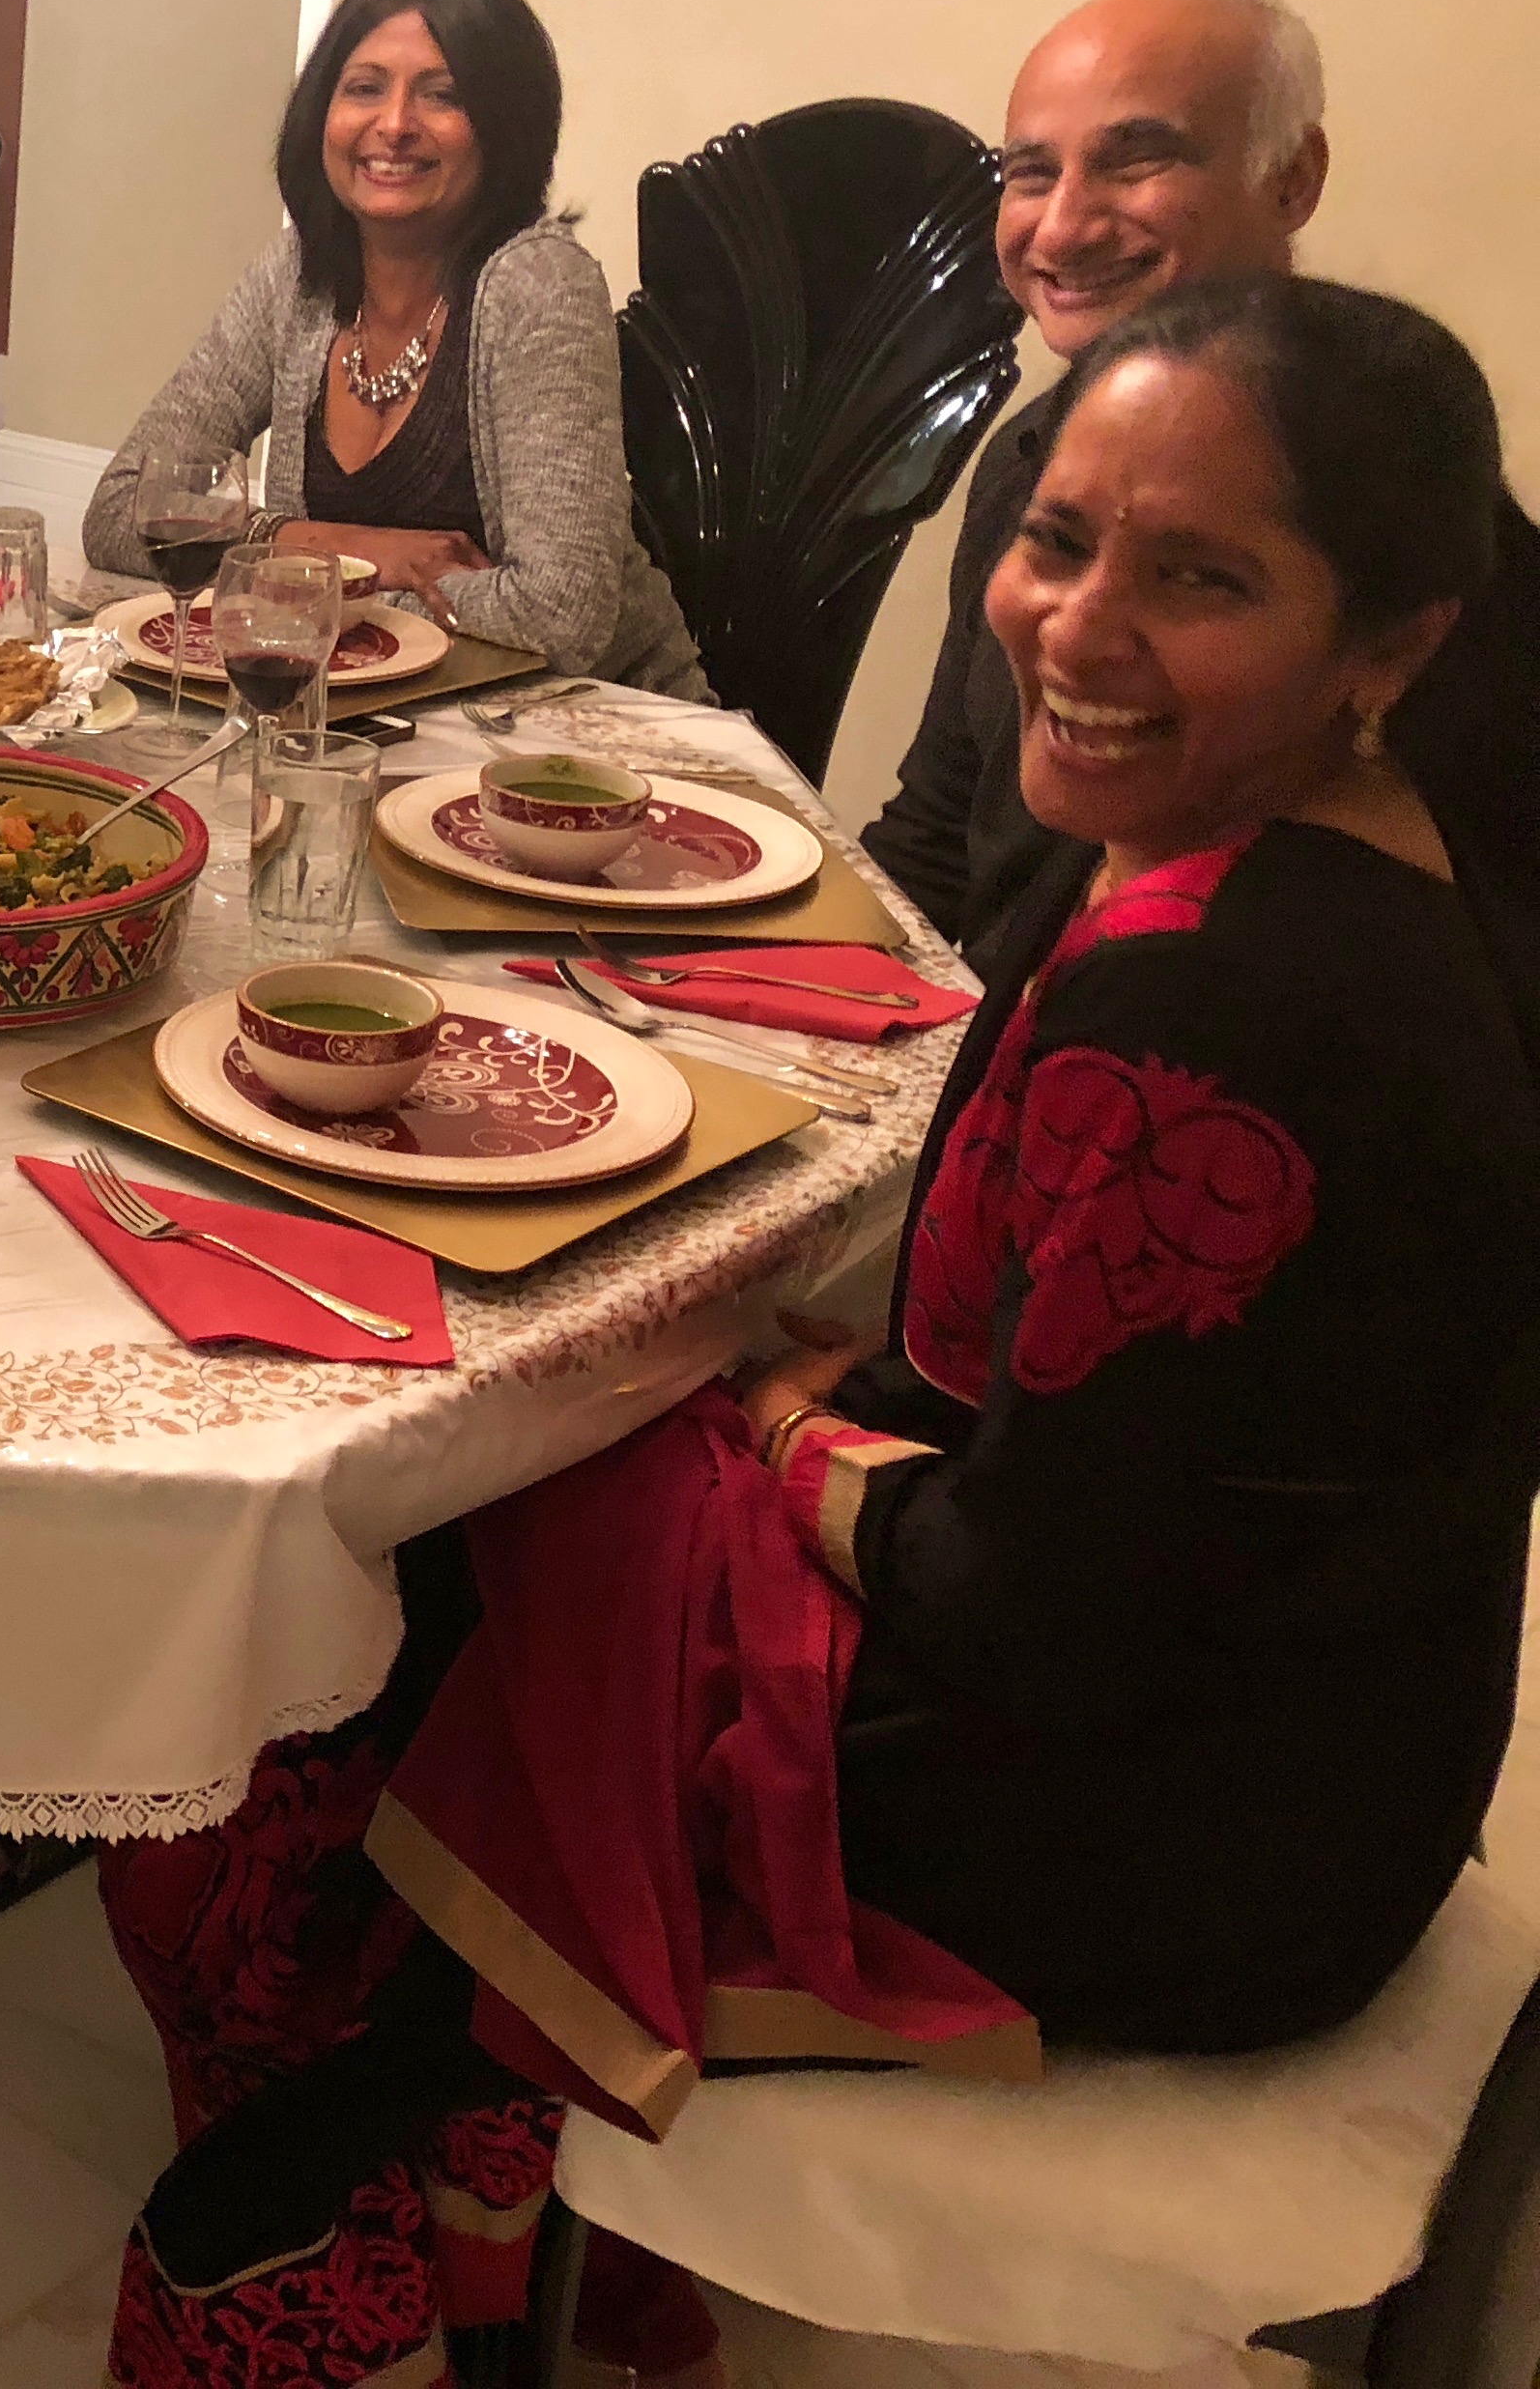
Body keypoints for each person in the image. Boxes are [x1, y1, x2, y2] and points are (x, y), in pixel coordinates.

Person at [89, 274, 1540, 2389]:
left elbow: (1027, 1602)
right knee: (542, 1460)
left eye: (1200, 578)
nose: (1078, 625)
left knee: (460, 1544)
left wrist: (777, 1426)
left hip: (1175, 1841)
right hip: (1319, 1728)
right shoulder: (1342, 855)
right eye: (1058, 541)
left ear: (1392, 644)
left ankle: (364, 2155)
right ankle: (454, 2121)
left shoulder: (1223, 993)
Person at [82, 0, 706, 696]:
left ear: (504, 126)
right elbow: (121, 512)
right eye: (365, 89)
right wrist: (336, 548)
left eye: (442, 97)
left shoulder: (538, 285)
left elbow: (560, 619)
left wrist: (298, 591)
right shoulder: (295, 277)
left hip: (604, 730)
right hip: (383, 719)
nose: (395, 124)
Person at [861, 0, 1328, 960]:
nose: (1063, 228)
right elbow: (938, 836)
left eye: (1136, 159)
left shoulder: (1380, 499)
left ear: (1291, 178)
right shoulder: (1029, 457)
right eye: (1031, 174)